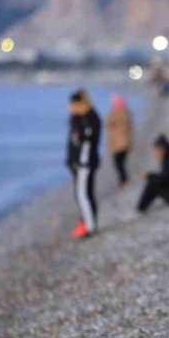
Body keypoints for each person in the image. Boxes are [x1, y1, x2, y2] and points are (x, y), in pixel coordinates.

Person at [66, 89, 101, 239]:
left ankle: (89, 225)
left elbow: (87, 143)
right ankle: (86, 222)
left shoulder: (89, 118)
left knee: (82, 194)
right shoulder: (77, 118)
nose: (71, 108)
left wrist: (81, 163)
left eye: (74, 104)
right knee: (84, 193)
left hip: (84, 164)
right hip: (80, 162)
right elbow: (73, 143)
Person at [105, 95, 133, 186]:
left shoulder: (118, 114)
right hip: (123, 142)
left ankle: (123, 179)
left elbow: (107, 121)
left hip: (119, 143)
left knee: (118, 163)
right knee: (120, 162)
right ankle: (123, 179)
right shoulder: (126, 114)